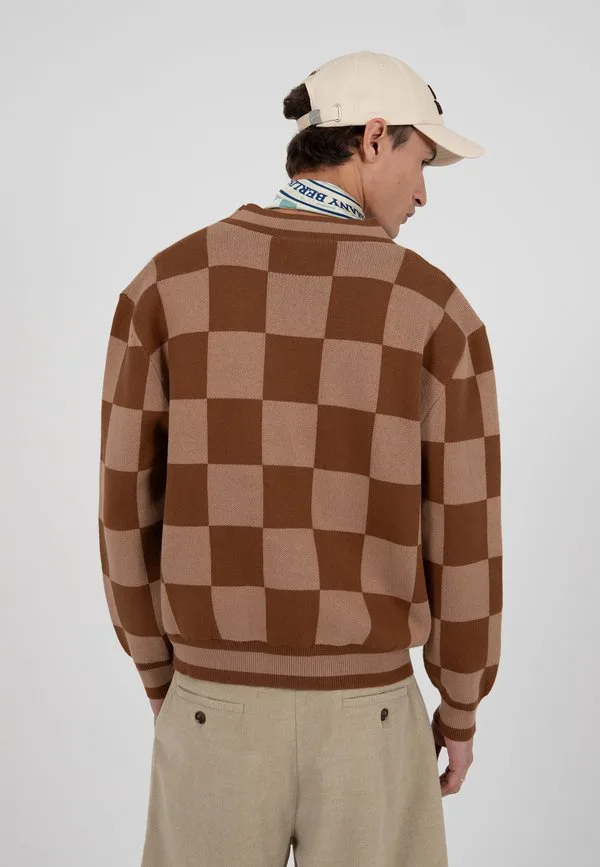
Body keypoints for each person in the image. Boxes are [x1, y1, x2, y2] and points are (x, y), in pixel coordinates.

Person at [98, 49, 502, 867]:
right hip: (370, 718)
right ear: (375, 138)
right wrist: (459, 706)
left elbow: (122, 509)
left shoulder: (166, 287)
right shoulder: (435, 310)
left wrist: (161, 674)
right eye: (423, 162)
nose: (423, 193)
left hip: (211, 707)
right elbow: (464, 532)